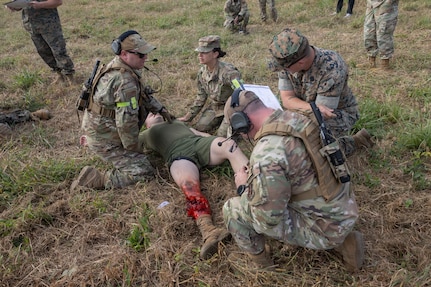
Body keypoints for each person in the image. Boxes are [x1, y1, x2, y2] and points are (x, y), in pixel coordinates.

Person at [222, 89, 365, 272]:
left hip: (326, 227)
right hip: (344, 207)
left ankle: (263, 267)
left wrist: (243, 187)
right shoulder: (300, 118)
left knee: (233, 210)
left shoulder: (267, 154)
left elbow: (266, 219)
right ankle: (344, 240)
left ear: (241, 123)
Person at [70, 30, 173, 191]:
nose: (145, 58)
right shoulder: (125, 82)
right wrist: (135, 149)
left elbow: (145, 96)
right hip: (105, 139)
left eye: (145, 54)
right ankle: (97, 179)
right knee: (143, 171)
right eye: (141, 55)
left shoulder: (118, 67)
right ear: (124, 54)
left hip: (100, 130)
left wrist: (163, 111)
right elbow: (126, 123)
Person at [140, 113, 249, 260]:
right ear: (145, 124)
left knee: (229, 145)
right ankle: (209, 231)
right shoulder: (147, 134)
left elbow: (200, 134)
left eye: (155, 110)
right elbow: (127, 145)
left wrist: (216, 141)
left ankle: (252, 190)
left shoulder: (177, 123)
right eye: (148, 114)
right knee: (188, 186)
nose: (153, 112)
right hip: (178, 155)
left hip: (198, 144)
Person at [267, 27, 374, 157]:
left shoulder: (332, 68)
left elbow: (321, 115)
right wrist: (307, 108)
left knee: (309, 149)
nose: (284, 71)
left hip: (337, 114)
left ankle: (354, 142)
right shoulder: (287, 60)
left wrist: (296, 116)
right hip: (308, 109)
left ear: (300, 62)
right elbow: (287, 99)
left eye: (285, 68)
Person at [178, 35, 242, 137]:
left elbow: (241, 92)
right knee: (200, 128)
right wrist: (188, 117)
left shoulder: (229, 73)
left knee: (222, 136)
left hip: (231, 108)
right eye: (199, 52)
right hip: (216, 107)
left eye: (204, 52)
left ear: (215, 54)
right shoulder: (202, 72)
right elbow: (201, 96)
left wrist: (236, 113)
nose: (200, 55)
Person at [6, 0, 75, 85]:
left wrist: (40, 5)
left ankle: (70, 76)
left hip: (49, 25)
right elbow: (22, 5)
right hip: (32, 25)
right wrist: (14, 7)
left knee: (59, 51)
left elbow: (58, 2)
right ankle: (59, 74)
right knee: (43, 51)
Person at [363, 0, 399, 69]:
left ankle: (384, 64)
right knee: (369, 31)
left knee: (383, 33)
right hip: (371, 3)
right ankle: (371, 61)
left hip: (386, 4)